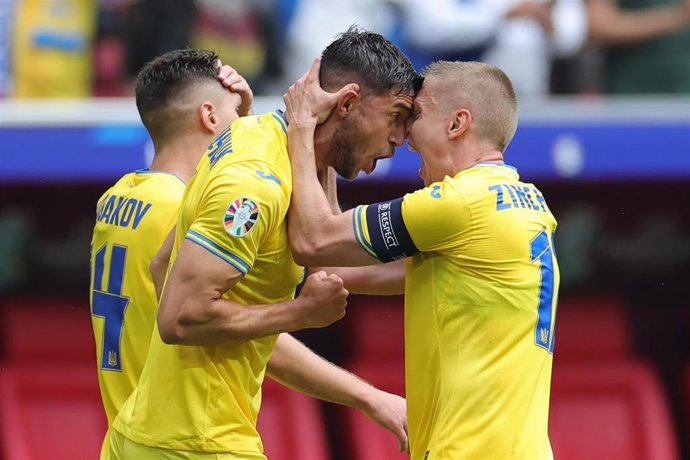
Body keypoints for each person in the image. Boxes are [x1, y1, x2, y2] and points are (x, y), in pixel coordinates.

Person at [110, 28, 423, 459]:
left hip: (154, 434)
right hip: (196, 444)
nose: (400, 140)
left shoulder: (250, 136)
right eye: (395, 116)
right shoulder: (255, 185)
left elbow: (164, 265)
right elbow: (179, 317)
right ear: (347, 103)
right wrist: (299, 312)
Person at [284, 59, 560, 459]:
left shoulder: (459, 204)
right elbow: (336, 266)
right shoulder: (527, 205)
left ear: (456, 124)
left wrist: (303, 128)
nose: (405, 132)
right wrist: (327, 155)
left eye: (417, 114)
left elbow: (312, 242)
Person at [90, 48, 251, 459]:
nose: (244, 131)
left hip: (124, 441)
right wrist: (370, 398)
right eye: (237, 115)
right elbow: (250, 334)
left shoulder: (115, 200)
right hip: (184, 442)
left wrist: (242, 117)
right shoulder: (181, 214)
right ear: (210, 117)